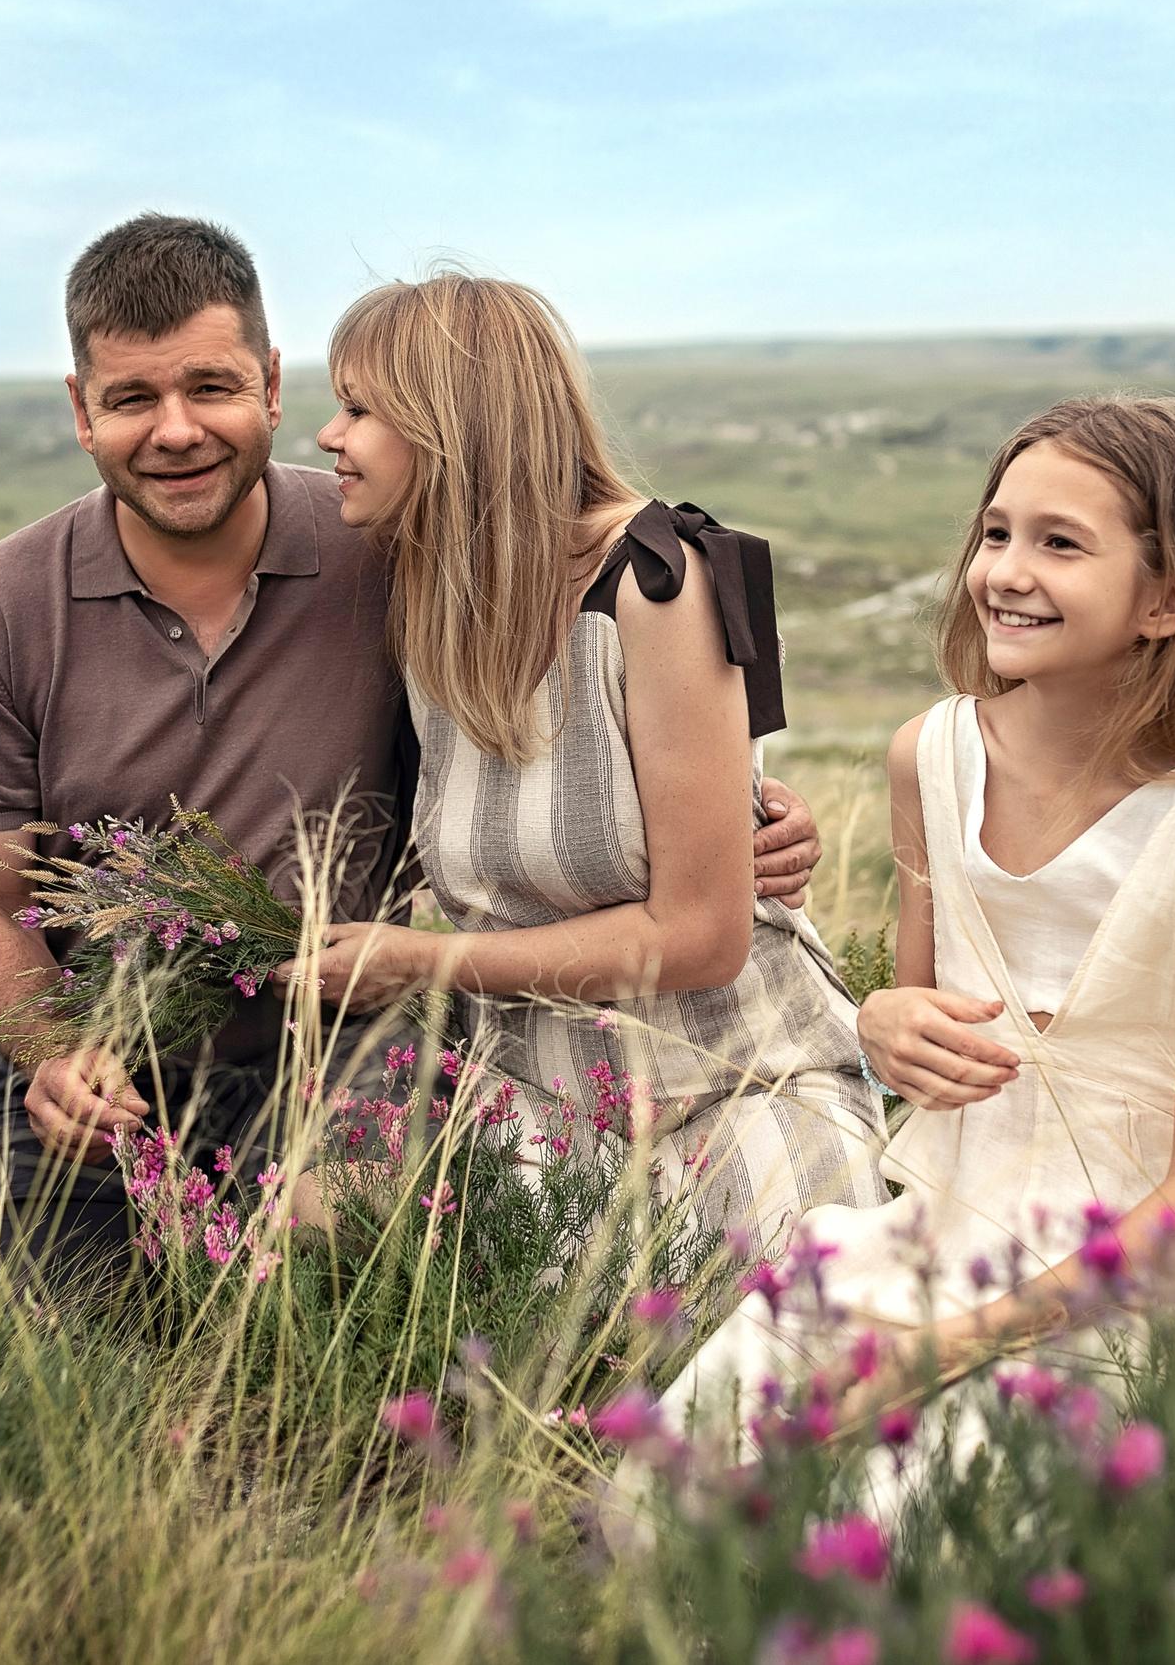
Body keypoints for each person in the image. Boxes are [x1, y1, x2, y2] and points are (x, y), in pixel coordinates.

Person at [0, 217, 828, 1288]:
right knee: (20, 1331)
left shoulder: (393, 548)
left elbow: (584, 676)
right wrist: (55, 1053)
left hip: (356, 1040)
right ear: (80, 410)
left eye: (209, 388)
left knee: (321, 1305)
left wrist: (737, 807)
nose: (174, 432)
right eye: (129, 399)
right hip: (106, 1056)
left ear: (267, 383)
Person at [659, 392, 1175, 1439]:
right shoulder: (930, 757)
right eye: (995, 533)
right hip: (955, 1216)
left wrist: (941, 1352)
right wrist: (882, 1024)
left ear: (1168, 598)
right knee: (691, 1457)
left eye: (1059, 544)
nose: (1003, 571)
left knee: (908, 1509)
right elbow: (921, 1039)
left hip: (1137, 1264)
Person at [272, 272, 889, 1251]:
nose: (326, 437)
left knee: (784, 1345)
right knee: (356, 1268)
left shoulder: (656, 583)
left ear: (447, 424)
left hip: (736, 1072)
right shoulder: (425, 580)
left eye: (357, 409)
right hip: (533, 1096)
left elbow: (701, 937)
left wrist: (424, 965)